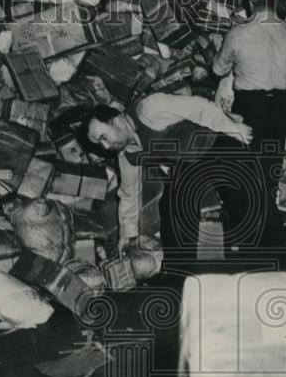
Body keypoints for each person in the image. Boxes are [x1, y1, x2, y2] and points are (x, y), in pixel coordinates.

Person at [81, 92, 253, 259]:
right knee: (172, 210)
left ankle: (265, 254)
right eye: (100, 143)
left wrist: (233, 129)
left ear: (116, 120)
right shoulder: (127, 154)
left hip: (215, 140)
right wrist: (126, 234)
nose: (104, 146)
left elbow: (200, 108)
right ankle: (179, 275)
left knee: (242, 200)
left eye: (103, 137)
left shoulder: (148, 109)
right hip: (188, 161)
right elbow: (129, 193)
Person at [213, 0, 286, 248]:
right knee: (266, 174)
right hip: (279, 111)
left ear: (250, 2)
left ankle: (265, 236)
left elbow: (217, 70)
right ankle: (265, 240)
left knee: (226, 165)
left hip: (250, 109)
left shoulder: (238, 33)